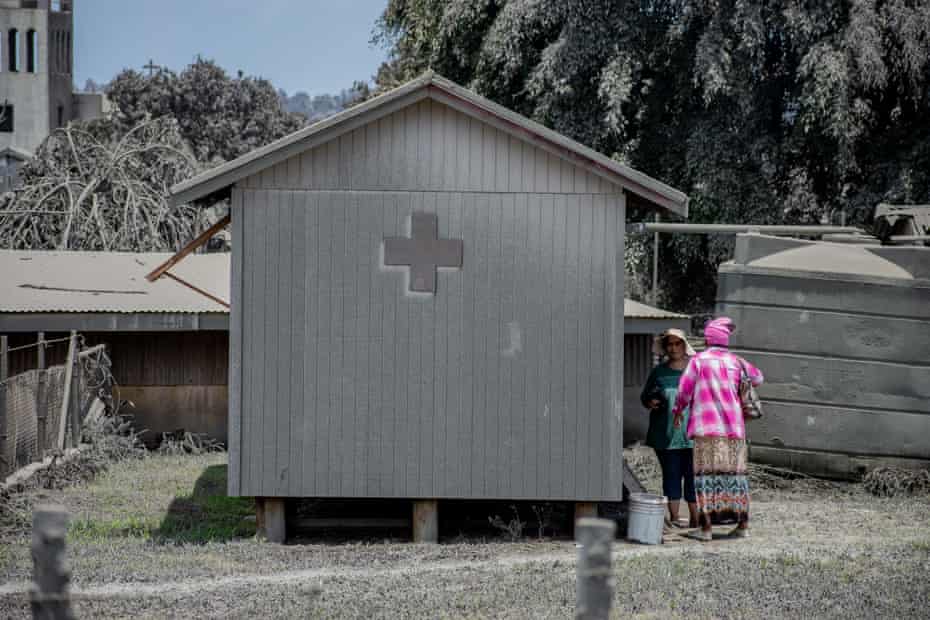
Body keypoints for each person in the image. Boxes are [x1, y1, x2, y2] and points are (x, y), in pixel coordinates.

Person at [672, 317, 763, 542]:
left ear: (707, 339)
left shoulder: (699, 362)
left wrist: (678, 410)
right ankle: (742, 526)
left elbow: (683, 391)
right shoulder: (737, 362)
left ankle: (706, 529)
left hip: (707, 430)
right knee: (735, 478)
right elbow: (758, 377)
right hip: (734, 431)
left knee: (706, 479)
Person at [640, 328, 699, 529]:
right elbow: (645, 397)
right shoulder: (659, 372)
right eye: (670, 344)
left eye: (677, 343)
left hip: (694, 434)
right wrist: (651, 402)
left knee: (693, 476)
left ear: (685, 345)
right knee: (671, 475)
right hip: (666, 436)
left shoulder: (697, 370)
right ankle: (674, 519)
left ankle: (696, 518)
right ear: (665, 348)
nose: (673, 348)